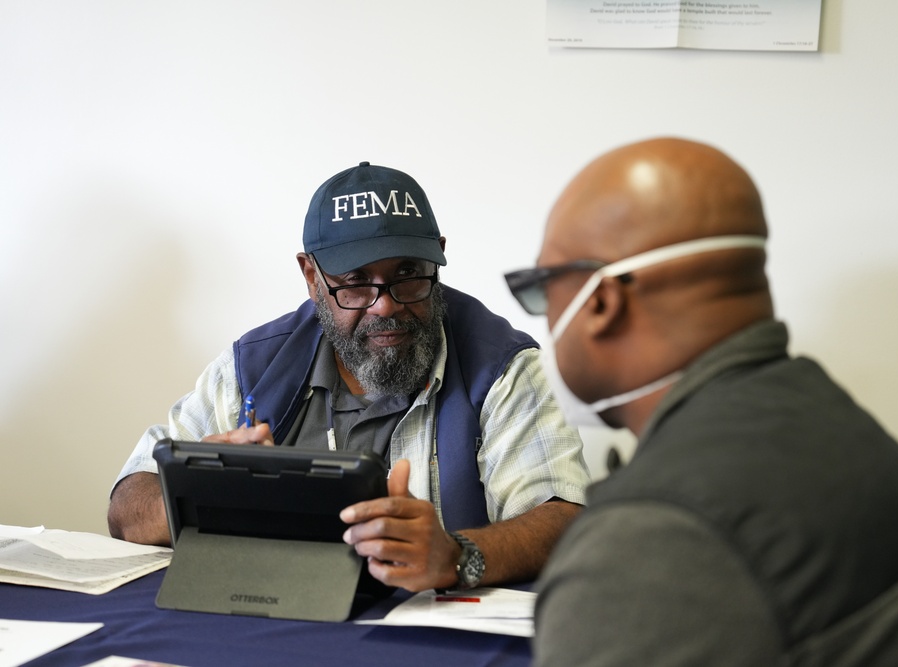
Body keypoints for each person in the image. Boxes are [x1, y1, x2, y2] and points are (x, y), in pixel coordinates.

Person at [505, 138, 898, 665]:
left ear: (601, 302)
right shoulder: (826, 421)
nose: (546, 318)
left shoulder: (652, 540)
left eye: (542, 289)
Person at [109, 161, 590, 593]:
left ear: (439, 258)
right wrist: (200, 490)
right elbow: (127, 504)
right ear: (311, 276)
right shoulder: (252, 366)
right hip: (276, 618)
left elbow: (563, 521)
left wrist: (456, 556)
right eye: (357, 282)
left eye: (408, 274)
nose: (387, 305)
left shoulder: (500, 366)